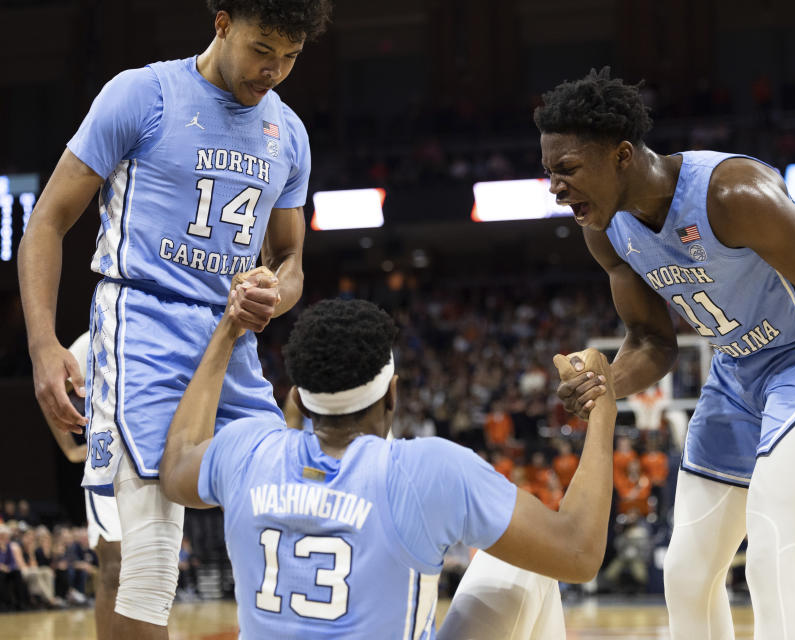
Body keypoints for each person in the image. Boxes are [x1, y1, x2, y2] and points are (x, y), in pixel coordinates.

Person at [536, 67, 795, 639]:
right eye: (549, 174)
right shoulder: (606, 231)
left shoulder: (730, 193)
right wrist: (605, 383)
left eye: (566, 169)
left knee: (770, 552)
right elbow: (653, 342)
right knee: (685, 573)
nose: (555, 187)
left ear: (621, 155)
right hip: (735, 372)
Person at [17, 2, 332, 637]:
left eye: (291, 57)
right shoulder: (144, 94)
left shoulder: (289, 133)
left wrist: (278, 290)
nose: (274, 70)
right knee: (148, 560)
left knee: (286, 508)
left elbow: (292, 259)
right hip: (142, 323)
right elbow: (46, 222)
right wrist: (44, 344)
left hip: (232, 337)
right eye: (262, 49)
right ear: (221, 24)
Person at [158, 298, 618, 638]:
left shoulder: (247, 449)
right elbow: (577, 554)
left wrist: (229, 330)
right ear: (392, 394)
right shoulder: (427, 468)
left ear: (296, 399)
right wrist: (604, 408)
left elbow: (177, 459)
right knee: (527, 565)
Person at [40, 332, 122, 637]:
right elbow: (53, 387)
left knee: (151, 570)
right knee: (114, 567)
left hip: (152, 459)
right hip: (106, 461)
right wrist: (69, 449)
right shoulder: (95, 336)